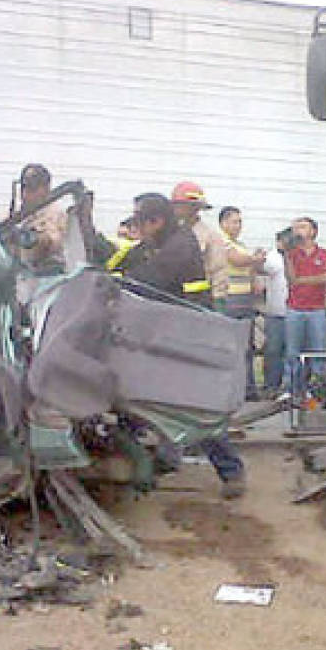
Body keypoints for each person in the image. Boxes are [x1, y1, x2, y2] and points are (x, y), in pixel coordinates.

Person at [119, 192, 247, 497]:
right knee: (133, 399)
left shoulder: (180, 245)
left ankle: (232, 473)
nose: (137, 226)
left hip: (186, 338)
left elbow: (145, 279)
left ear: (157, 221)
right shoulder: (159, 241)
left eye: (141, 221)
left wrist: (114, 280)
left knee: (192, 407)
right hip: (163, 335)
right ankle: (157, 460)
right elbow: (126, 259)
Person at [217, 206, 266, 400]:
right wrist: (254, 258)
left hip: (245, 299)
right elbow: (236, 260)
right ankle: (230, 389)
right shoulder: (220, 240)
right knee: (230, 346)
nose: (238, 226)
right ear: (223, 223)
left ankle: (248, 388)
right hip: (229, 298)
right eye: (234, 221)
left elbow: (251, 265)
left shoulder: (240, 244)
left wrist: (255, 266)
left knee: (247, 346)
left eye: (240, 222)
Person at [285, 216, 326, 395]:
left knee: (318, 350)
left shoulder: (323, 253)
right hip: (295, 307)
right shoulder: (291, 254)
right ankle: (292, 389)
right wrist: (287, 255)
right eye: (295, 227)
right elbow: (291, 280)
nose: (298, 230)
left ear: (313, 231)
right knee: (292, 351)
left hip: (316, 308)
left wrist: (303, 280)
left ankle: (316, 389)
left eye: (303, 227)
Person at [13, 163, 68, 273]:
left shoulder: (56, 214)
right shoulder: (10, 218)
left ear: (46, 188)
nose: (25, 193)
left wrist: (36, 239)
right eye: (24, 187)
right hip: (15, 278)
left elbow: (54, 242)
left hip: (46, 279)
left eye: (32, 187)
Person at [259, 228, 292, 397]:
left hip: (294, 312)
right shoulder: (272, 257)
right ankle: (271, 385)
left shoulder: (297, 256)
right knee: (273, 350)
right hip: (275, 312)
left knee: (291, 351)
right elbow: (260, 268)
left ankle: (289, 387)